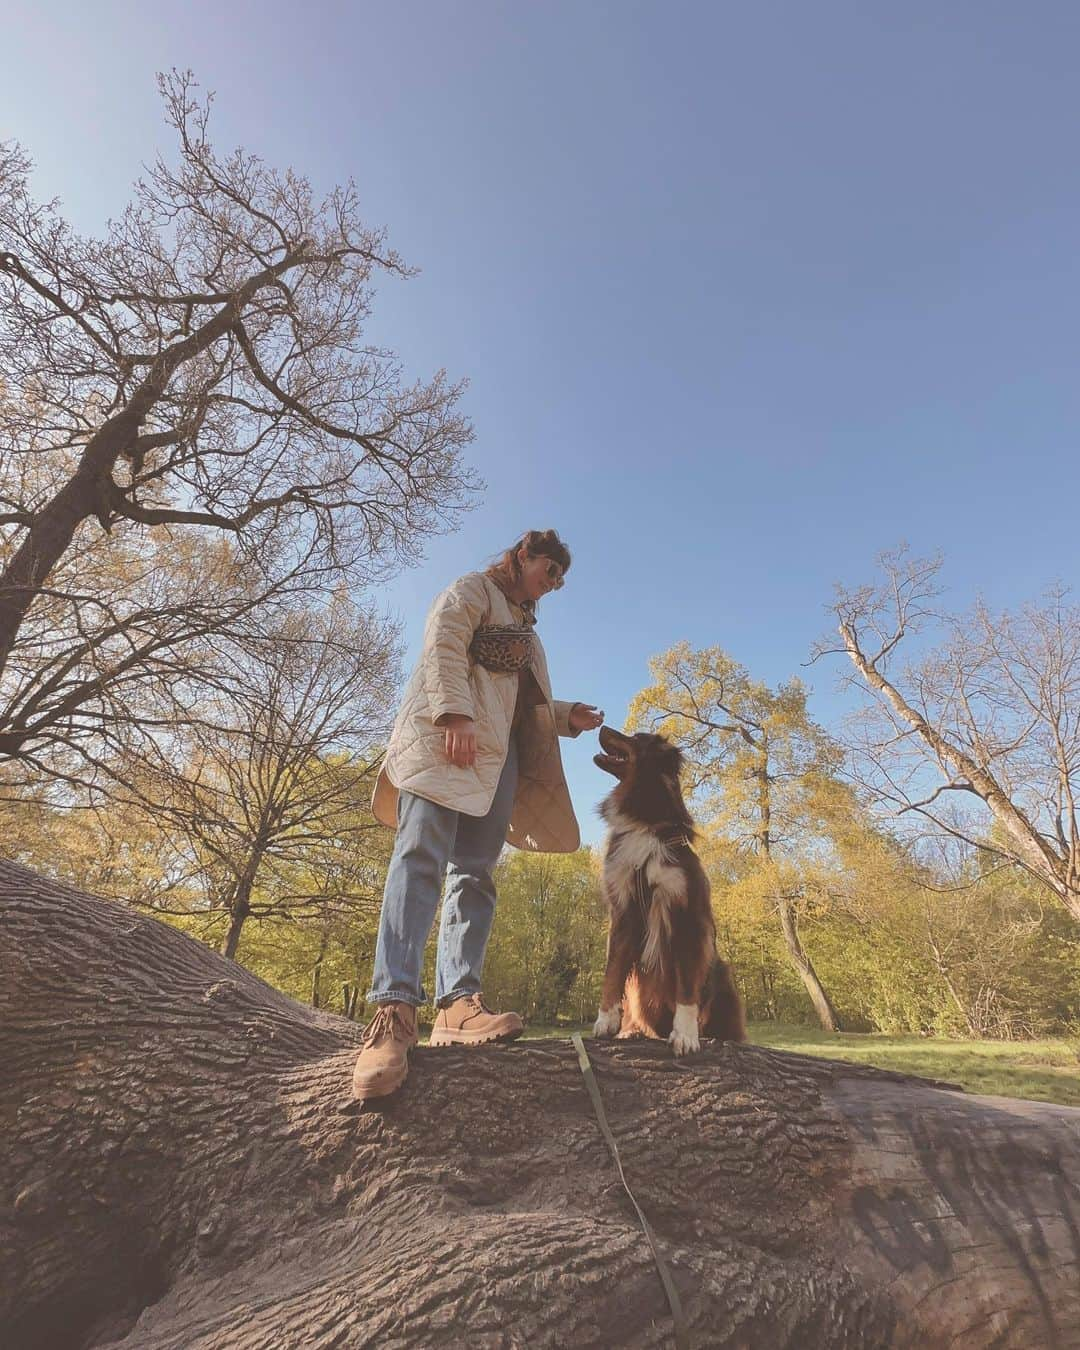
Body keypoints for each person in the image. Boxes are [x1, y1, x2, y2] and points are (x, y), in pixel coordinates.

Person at [354, 528, 604, 1100]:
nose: (555, 583)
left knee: (476, 873)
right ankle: (393, 1013)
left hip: (498, 760)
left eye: (562, 578)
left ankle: (458, 1007)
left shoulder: (529, 634)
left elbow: (521, 701)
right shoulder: (470, 589)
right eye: (550, 569)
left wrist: (567, 715)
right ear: (523, 556)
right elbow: (442, 643)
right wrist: (453, 715)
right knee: (418, 860)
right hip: (446, 742)